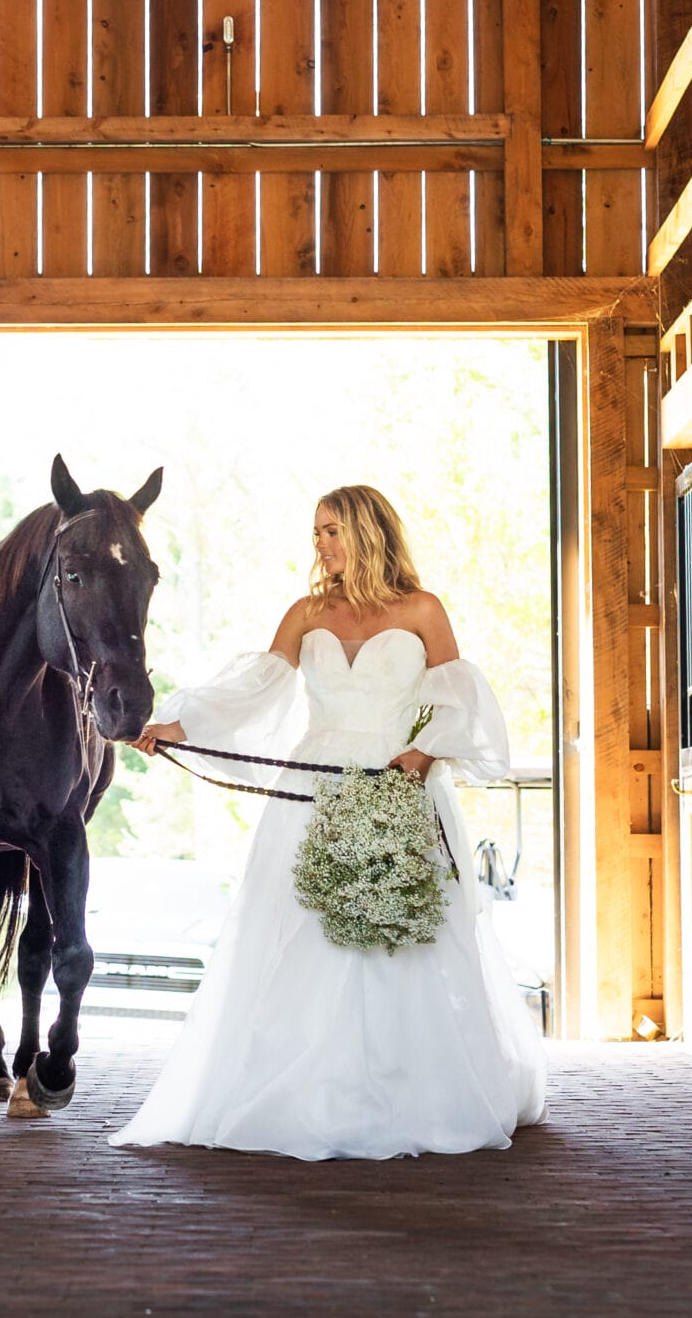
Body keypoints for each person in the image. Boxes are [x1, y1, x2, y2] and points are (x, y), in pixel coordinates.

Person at [108, 485, 547, 1160]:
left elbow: (447, 695)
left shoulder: (422, 609)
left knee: (401, 935)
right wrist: (178, 725)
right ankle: (308, 1092)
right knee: (306, 935)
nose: (321, 544)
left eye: (332, 530)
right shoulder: (307, 612)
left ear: (369, 531)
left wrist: (421, 752)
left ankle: (411, 1090)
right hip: (316, 785)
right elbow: (256, 686)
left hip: (397, 782)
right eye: (317, 532)